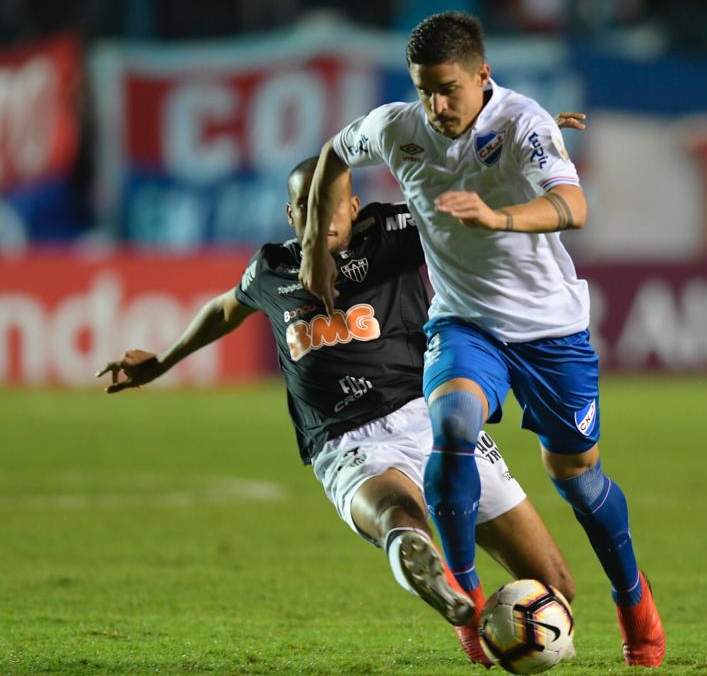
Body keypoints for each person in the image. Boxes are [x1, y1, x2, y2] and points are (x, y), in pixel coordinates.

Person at [96, 155, 577, 667]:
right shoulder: (270, 269)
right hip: (347, 440)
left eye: (331, 203)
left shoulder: (394, 231)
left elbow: (472, 204)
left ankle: (474, 609)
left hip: (434, 416)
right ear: (290, 214)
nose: (320, 214)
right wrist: (161, 362)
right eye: (305, 204)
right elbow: (223, 309)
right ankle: (420, 562)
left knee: (557, 589)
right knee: (398, 513)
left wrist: (524, 145)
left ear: (353, 207)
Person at [299, 11, 665, 667]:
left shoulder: (525, 124)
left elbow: (573, 207)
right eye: (424, 90)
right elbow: (332, 153)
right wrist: (313, 255)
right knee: (455, 424)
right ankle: (467, 608)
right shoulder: (397, 127)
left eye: (448, 88)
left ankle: (636, 604)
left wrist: (496, 215)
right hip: (466, 325)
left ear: (482, 75)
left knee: (579, 481)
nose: (436, 105)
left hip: (552, 332)